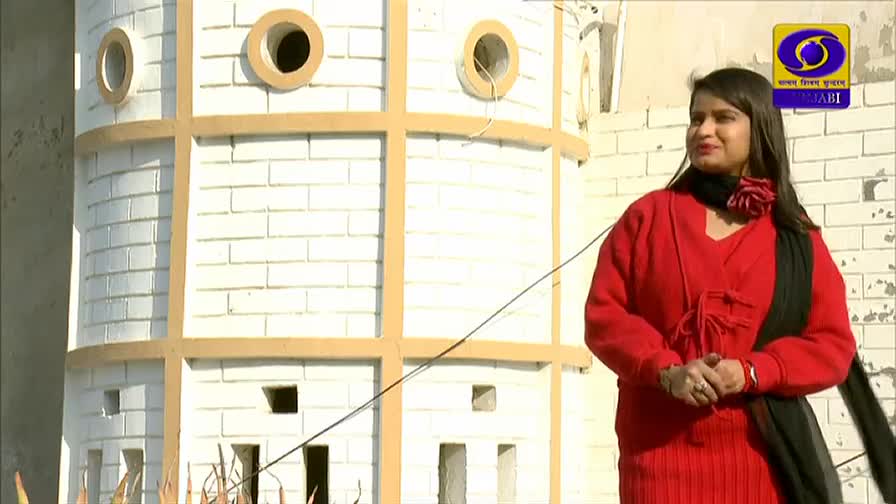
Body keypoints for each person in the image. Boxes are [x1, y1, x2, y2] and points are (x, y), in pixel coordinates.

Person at [582, 67, 865, 503]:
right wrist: (667, 371)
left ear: (760, 127)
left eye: (723, 117)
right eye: (696, 119)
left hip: (762, 464)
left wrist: (751, 371)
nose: (704, 130)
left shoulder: (795, 238)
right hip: (657, 460)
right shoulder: (648, 218)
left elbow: (831, 344)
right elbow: (606, 317)